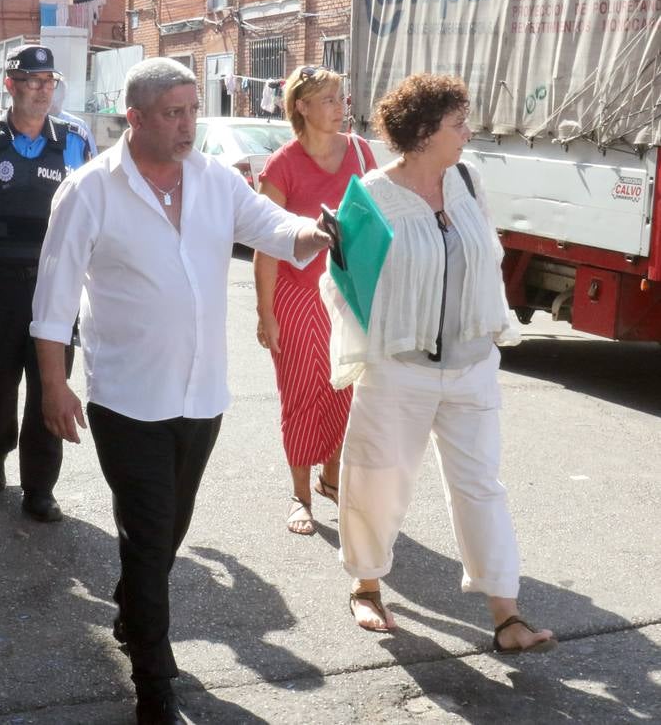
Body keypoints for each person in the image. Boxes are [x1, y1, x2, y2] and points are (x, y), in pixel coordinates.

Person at [31, 58, 333, 724]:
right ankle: (154, 678)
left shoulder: (213, 180)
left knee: (167, 533)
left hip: (202, 396)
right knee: (147, 532)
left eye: (192, 110)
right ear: (133, 118)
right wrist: (54, 386)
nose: (187, 124)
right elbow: (52, 301)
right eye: (172, 112)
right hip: (127, 398)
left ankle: (133, 608)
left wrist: (319, 231)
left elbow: (272, 228)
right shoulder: (90, 190)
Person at [321, 73, 557, 654]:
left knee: (481, 487)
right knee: (378, 479)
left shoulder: (469, 182)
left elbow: (487, 257)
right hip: (399, 369)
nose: (468, 132)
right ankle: (367, 584)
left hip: (471, 363)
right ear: (424, 132)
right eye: (458, 123)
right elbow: (342, 283)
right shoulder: (371, 195)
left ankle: (506, 613)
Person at [0, 44, 92, 523]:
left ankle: (40, 488)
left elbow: (97, 214)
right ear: (10, 86)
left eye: (49, 82)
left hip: (56, 286)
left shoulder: (75, 138)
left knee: (52, 384)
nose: (42, 90)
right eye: (32, 81)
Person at [255, 66, 376, 535]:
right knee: (302, 392)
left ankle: (330, 479)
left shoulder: (362, 152)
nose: (339, 106)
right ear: (301, 106)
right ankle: (300, 495)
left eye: (340, 97)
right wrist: (266, 314)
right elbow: (266, 243)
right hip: (298, 294)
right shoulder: (282, 165)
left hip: (349, 291)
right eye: (327, 98)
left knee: (345, 390)